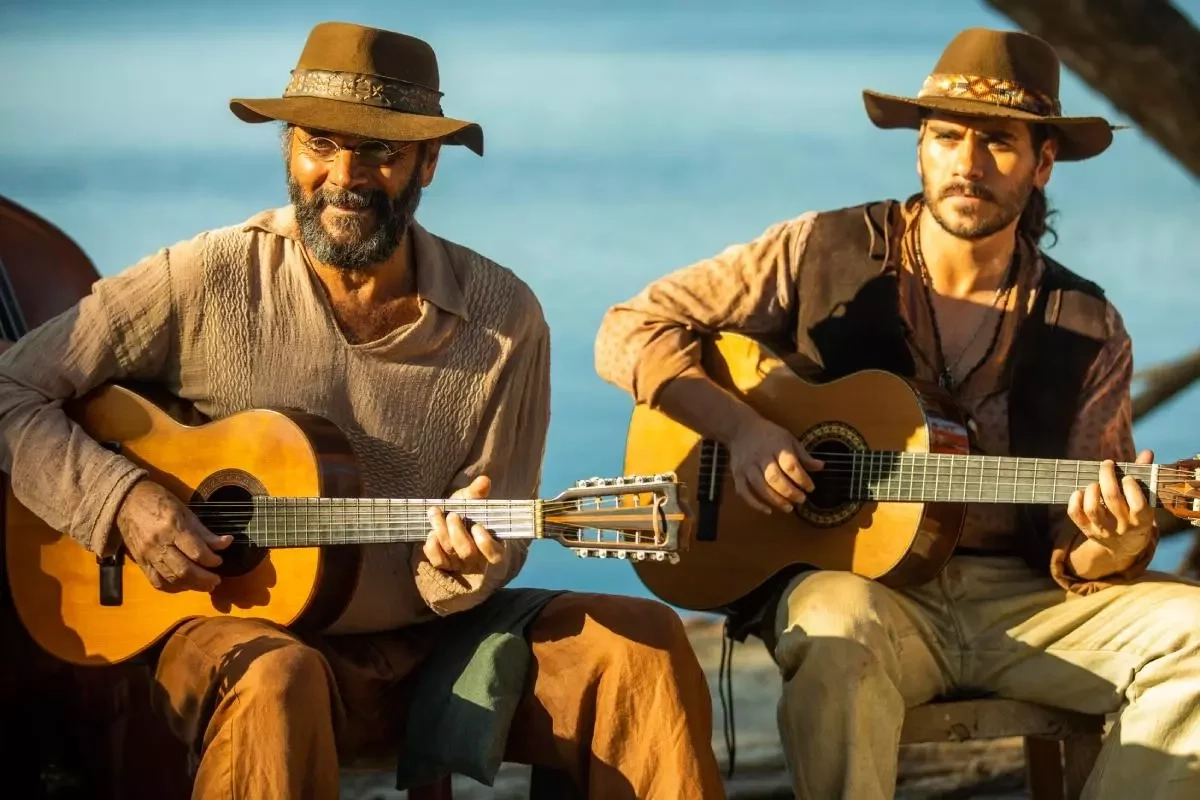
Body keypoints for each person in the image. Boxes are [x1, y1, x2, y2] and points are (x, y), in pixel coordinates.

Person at [0, 21, 724, 800]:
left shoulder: (504, 317)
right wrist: (120, 501)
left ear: (428, 161)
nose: (344, 176)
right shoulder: (205, 276)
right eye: (320, 143)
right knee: (277, 679)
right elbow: (12, 389)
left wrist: (458, 571)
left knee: (641, 646)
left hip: (438, 646)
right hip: (241, 638)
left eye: (380, 150)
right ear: (289, 147)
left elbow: (494, 540)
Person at [594, 26, 1200, 799]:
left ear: (1043, 162)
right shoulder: (819, 250)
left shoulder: (1087, 326)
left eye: (998, 143)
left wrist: (1117, 540)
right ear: (919, 148)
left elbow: (1077, 555)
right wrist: (741, 430)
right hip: (862, 591)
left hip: (1023, 603)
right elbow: (628, 330)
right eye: (946, 137)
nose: (968, 164)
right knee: (833, 627)